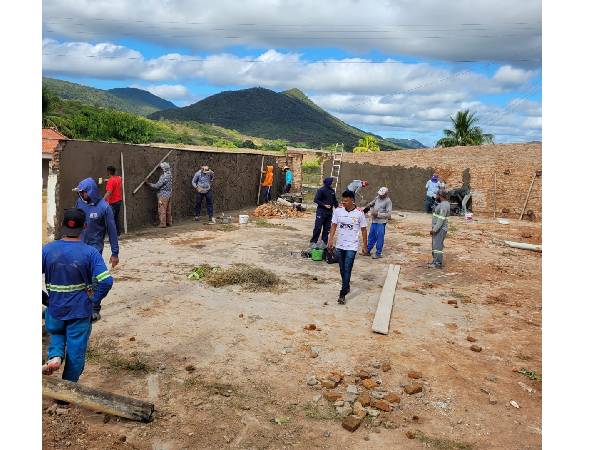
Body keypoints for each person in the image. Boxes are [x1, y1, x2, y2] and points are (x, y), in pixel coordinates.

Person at [42, 208, 113, 381]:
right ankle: (66, 395)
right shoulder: (90, 253)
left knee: (57, 333)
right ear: (85, 226)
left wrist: (46, 300)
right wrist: (93, 301)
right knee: (76, 352)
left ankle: (56, 357)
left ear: (62, 225)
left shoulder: (47, 250)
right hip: (80, 311)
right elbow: (106, 281)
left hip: (55, 309)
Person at [74, 177, 119, 322]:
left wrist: (115, 253)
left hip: (94, 249)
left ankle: (94, 308)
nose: (81, 195)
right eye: (79, 193)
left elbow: (112, 230)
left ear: (90, 191)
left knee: (95, 279)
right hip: (79, 247)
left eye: (83, 193)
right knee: (80, 278)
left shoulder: (104, 208)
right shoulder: (79, 203)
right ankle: (81, 305)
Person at [327, 190, 368, 305]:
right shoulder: (338, 211)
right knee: (342, 269)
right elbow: (334, 226)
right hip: (340, 245)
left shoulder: (359, 214)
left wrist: (365, 246)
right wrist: (330, 240)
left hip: (352, 246)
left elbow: (364, 230)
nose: (343, 202)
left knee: (347, 269)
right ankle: (347, 285)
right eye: (342, 200)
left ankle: (342, 294)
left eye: (346, 200)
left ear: (352, 200)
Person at [363, 187, 393, 259]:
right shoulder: (377, 198)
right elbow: (372, 203)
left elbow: (389, 215)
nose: (380, 195)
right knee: (371, 236)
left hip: (381, 222)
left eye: (382, 194)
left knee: (379, 237)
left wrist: (378, 214)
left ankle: (378, 253)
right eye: (379, 194)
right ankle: (367, 250)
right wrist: (367, 207)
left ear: (386, 194)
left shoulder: (388, 201)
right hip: (374, 221)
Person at [310, 177, 338, 249]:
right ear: (328, 182)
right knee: (318, 227)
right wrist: (324, 205)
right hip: (321, 212)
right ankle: (313, 242)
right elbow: (316, 200)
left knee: (327, 228)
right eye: (331, 182)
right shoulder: (321, 190)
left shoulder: (332, 191)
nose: (332, 183)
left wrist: (338, 208)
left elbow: (334, 201)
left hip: (329, 213)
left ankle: (323, 242)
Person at [145, 162, 173, 228]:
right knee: (168, 210)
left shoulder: (163, 177)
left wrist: (149, 183)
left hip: (163, 196)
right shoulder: (170, 175)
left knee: (162, 209)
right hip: (169, 195)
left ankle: (163, 224)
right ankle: (168, 222)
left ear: (164, 169)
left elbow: (157, 186)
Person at [428, 190, 450, 269]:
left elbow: (441, 219)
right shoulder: (442, 204)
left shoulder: (444, 205)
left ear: (440, 195)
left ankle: (438, 263)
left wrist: (434, 229)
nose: (435, 196)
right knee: (435, 245)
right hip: (438, 228)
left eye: (436, 195)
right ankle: (434, 261)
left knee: (438, 246)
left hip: (440, 229)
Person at [103, 165, 123, 236]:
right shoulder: (119, 178)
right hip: (119, 201)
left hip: (113, 203)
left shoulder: (111, 181)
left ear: (109, 172)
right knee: (116, 218)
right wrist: (107, 180)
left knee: (110, 220)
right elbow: (118, 179)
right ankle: (118, 234)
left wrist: (102, 200)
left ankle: (112, 235)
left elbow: (109, 192)